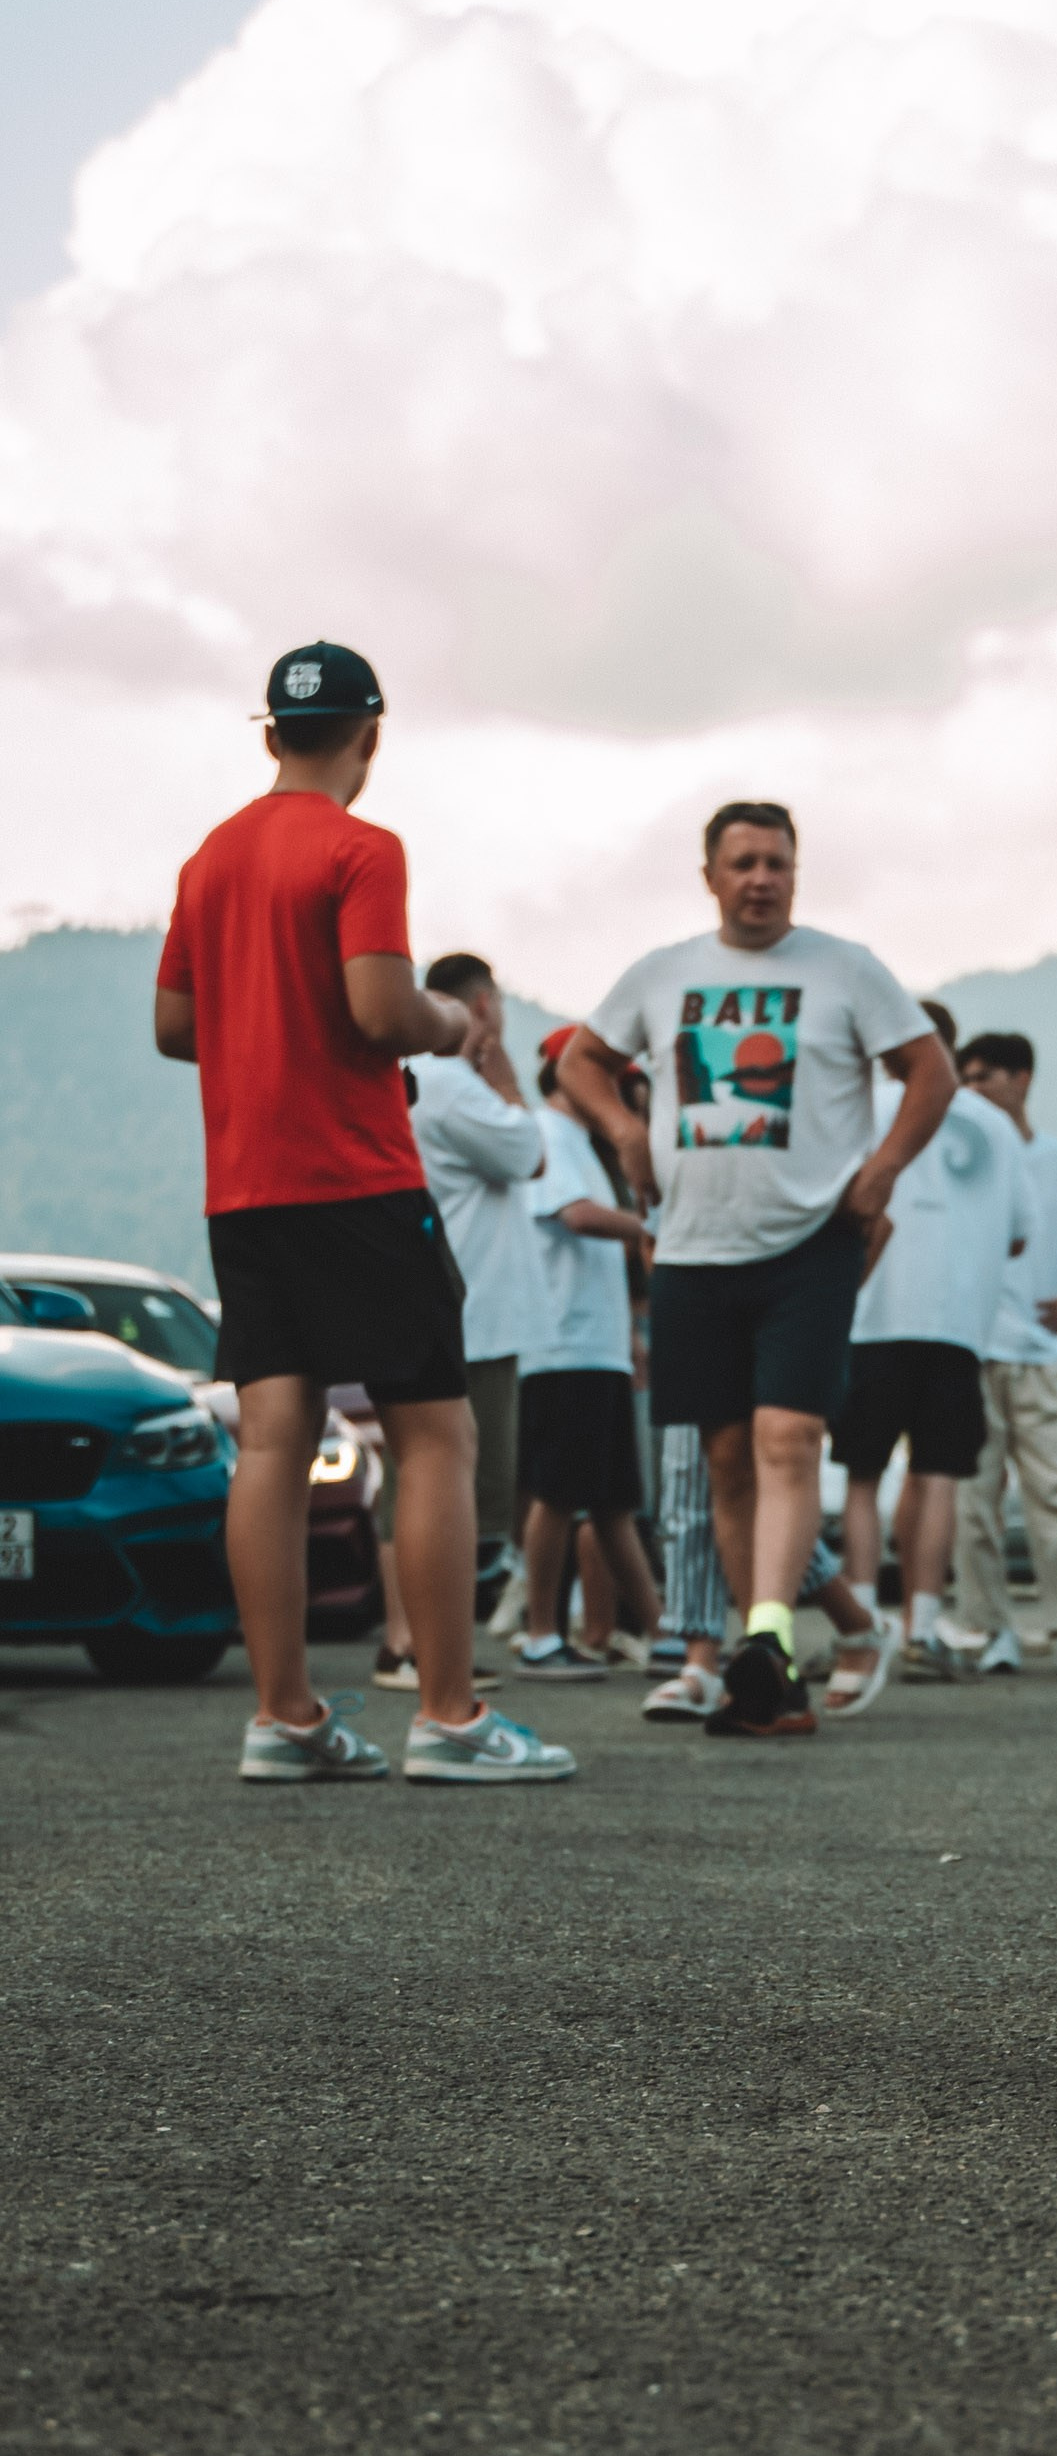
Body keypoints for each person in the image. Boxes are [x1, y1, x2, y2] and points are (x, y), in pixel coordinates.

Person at [152, 640, 574, 1786]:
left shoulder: (211, 858)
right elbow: (379, 1008)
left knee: (274, 1437)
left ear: (269, 733)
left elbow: (176, 1025)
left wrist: (260, 1016)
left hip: (245, 1187)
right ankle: (448, 1714)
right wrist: (453, 1020)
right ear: (371, 736)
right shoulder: (360, 846)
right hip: (355, 1180)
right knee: (435, 1429)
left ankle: (284, 1718)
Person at [560, 802, 951, 1737]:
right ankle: (760, 1654)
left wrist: (883, 1166)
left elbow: (930, 1070)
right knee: (726, 1454)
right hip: (692, 1243)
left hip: (811, 1237)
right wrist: (621, 1127)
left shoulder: (844, 967)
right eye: (743, 862)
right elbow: (582, 1058)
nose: (762, 878)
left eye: (777, 861)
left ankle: (769, 1636)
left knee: (787, 1439)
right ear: (710, 875)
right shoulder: (662, 974)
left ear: (795, 871)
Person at [830, 1005, 1030, 1684]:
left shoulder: (866, 1104)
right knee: (939, 1475)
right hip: (958, 1325)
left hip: (872, 1316)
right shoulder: (997, 1124)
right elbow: (1020, 1233)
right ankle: (921, 1624)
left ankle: (859, 1619)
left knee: (861, 1475)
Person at [951, 1032, 1057, 1674]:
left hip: (1045, 1349)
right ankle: (988, 1627)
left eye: (983, 1075)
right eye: (963, 1078)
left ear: (1022, 1078)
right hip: (970, 1349)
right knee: (974, 1498)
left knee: (1056, 1492)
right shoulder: (958, 1159)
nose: (970, 1087)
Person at [406, 953, 548, 1642]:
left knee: (432, 1471)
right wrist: (510, 1084)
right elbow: (531, 1154)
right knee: (461, 1483)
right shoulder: (452, 1084)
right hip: (475, 1313)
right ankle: (425, 1645)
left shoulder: (412, 1080)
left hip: (438, 1303)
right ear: (483, 1005)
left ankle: (413, 1642)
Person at [513, 1026, 661, 1678]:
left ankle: (664, 1632)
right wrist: (652, 1226)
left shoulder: (582, 1143)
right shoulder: (548, 1132)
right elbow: (573, 1215)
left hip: (595, 1343)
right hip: (560, 1342)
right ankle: (542, 1632)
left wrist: (625, 1338)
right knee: (557, 1492)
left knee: (613, 1501)